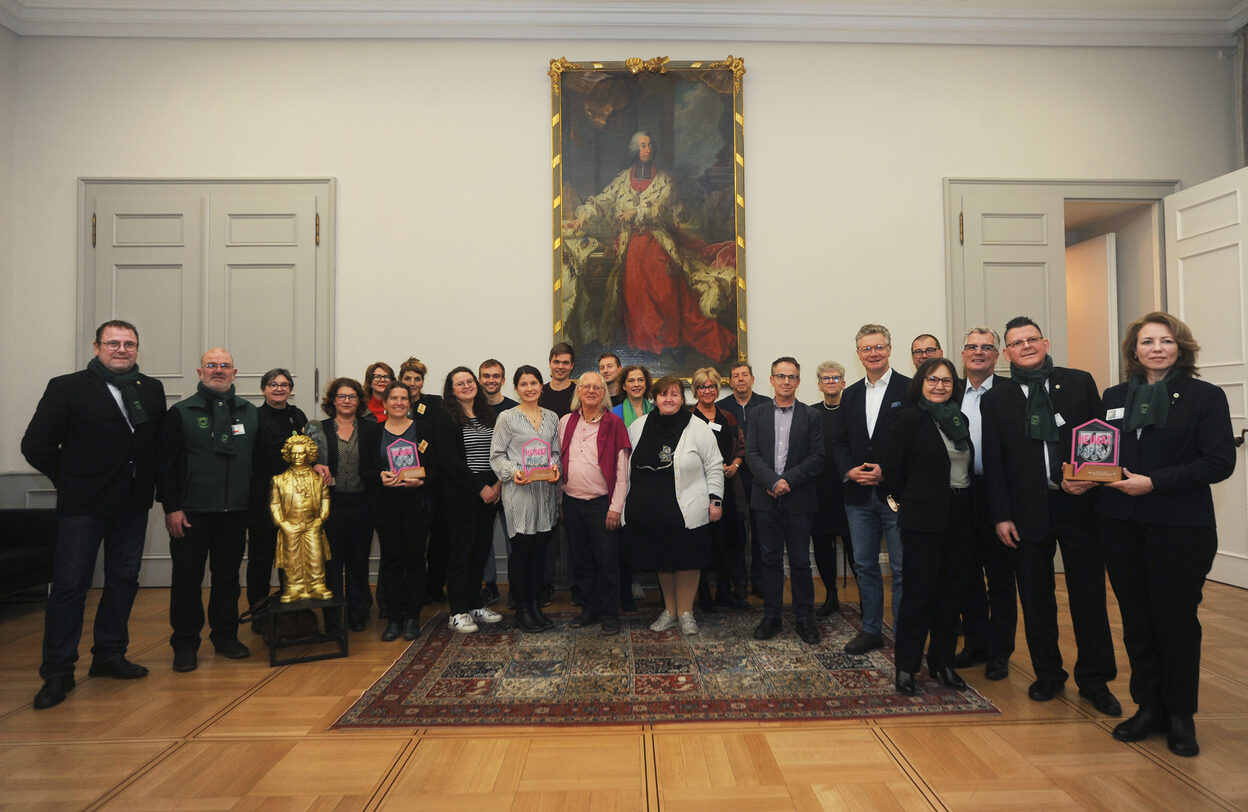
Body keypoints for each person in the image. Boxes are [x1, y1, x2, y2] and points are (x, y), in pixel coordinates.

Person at [1097, 312, 1235, 757]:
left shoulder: (1204, 397)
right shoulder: (1114, 396)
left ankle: (1180, 715)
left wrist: (1154, 481)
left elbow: (1219, 463)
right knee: (1136, 620)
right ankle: (1148, 707)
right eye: (1146, 341)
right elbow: (1102, 451)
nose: (1156, 348)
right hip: (1120, 523)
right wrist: (1086, 473)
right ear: (1133, 350)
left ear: (1181, 346)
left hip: (1180, 526)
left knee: (1174, 621)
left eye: (1165, 340)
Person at [21, 320, 166, 710]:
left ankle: (109, 655)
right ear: (97, 346)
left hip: (132, 505)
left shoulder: (150, 389)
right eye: (113, 343)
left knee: (122, 581)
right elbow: (35, 445)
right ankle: (57, 671)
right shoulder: (66, 387)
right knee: (70, 587)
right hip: (82, 506)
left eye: (129, 344)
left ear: (138, 348)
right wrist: (71, 479)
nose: (122, 349)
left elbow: (153, 446)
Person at [981, 316, 1121, 716]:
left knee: (1089, 596)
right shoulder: (997, 398)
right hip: (1025, 512)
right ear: (1005, 353)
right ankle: (1048, 674)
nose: (1025, 346)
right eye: (1015, 342)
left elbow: (1102, 440)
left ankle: (1095, 680)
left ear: (1045, 342)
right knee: (1036, 597)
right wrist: (1001, 515)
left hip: (1079, 506)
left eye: (1031, 339)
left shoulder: (1078, 382)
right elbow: (995, 462)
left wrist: (1091, 480)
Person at [570, 131, 735, 362]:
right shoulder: (622, 179)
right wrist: (584, 215)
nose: (647, 150)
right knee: (635, 296)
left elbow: (660, 208)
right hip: (631, 247)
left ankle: (672, 343)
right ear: (634, 151)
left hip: (657, 242)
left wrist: (635, 212)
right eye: (643, 146)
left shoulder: (664, 180)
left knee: (665, 291)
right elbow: (603, 200)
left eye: (649, 145)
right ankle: (643, 345)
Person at [157, 348, 257, 672]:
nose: (219, 370)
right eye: (211, 365)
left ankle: (225, 636)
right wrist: (172, 508)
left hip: (235, 512)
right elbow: (165, 465)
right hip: (191, 514)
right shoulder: (181, 412)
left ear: (235, 372)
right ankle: (185, 645)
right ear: (200, 372)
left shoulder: (250, 413)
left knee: (227, 579)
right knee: (187, 580)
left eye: (225, 365)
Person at [884, 357, 974, 696]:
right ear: (921, 383)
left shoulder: (959, 419)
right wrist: (911, 502)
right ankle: (906, 668)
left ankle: (943, 662)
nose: (939, 386)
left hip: (961, 517)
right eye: (933, 380)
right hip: (923, 520)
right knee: (918, 598)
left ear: (954, 386)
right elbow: (893, 470)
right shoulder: (909, 419)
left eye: (947, 381)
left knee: (952, 595)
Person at [832, 324, 911, 655]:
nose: (873, 353)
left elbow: (917, 442)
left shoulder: (910, 390)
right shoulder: (849, 395)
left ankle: (907, 632)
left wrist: (888, 471)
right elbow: (837, 442)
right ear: (858, 354)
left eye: (879, 347)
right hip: (858, 497)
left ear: (890, 349)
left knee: (902, 567)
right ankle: (871, 630)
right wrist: (849, 471)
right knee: (864, 564)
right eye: (866, 349)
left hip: (897, 496)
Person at [626, 377, 725, 634]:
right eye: (663, 395)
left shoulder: (698, 427)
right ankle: (670, 611)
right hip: (651, 508)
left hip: (687, 506)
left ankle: (686, 613)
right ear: (654, 399)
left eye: (674, 394)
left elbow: (714, 465)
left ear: (682, 398)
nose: (668, 399)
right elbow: (625, 465)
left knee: (688, 560)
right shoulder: (638, 426)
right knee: (663, 560)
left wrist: (716, 500)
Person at [745, 357, 825, 645]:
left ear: (799, 382)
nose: (786, 381)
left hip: (799, 499)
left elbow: (817, 458)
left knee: (801, 561)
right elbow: (751, 454)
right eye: (781, 376)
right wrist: (771, 481)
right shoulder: (756, 414)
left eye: (792, 377)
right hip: (765, 500)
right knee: (769, 560)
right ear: (772, 379)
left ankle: (805, 618)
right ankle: (772, 616)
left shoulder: (811, 416)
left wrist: (786, 481)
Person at [953, 327, 1017, 682]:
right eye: (972, 347)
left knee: (1001, 578)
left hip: (999, 497)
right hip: (962, 495)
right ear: (962, 354)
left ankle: (999, 652)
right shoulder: (949, 392)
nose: (978, 352)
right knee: (967, 577)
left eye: (986, 347)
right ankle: (974, 644)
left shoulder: (1010, 393)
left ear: (997, 355)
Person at [490, 365, 562, 632]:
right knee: (522, 553)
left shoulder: (552, 417)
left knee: (540, 554)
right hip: (519, 494)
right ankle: (522, 610)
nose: (530, 388)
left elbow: (555, 452)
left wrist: (556, 469)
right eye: (524, 384)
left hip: (544, 494)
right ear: (516, 388)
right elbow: (496, 456)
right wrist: (513, 472)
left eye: (534, 383)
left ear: (541, 386)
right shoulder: (507, 418)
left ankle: (534, 607)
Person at [559, 371, 632, 634]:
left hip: (602, 505)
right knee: (580, 561)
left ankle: (610, 615)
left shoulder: (614, 423)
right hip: (572, 503)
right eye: (585, 386)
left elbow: (622, 472)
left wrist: (615, 508)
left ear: (604, 393)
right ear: (578, 391)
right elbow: (559, 461)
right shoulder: (565, 421)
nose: (591, 390)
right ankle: (589, 610)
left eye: (596, 387)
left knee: (607, 562)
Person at [436, 367, 504, 633]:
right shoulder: (446, 418)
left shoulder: (488, 414)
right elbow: (451, 463)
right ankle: (458, 611)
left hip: (490, 493)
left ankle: (476, 605)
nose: (466, 386)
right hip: (462, 495)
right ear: (451, 390)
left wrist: (497, 484)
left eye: (469, 381)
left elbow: (500, 452)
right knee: (461, 554)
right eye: (459, 383)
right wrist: (480, 488)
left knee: (480, 551)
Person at [309, 377, 379, 632]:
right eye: (342, 396)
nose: (347, 401)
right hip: (330, 505)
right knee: (332, 563)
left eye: (352, 396)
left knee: (358, 562)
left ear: (359, 401)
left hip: (362, 504)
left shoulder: (370, 429)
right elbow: (303, 464)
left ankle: (357, 613)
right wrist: (314, 465)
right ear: (332, 401)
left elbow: (375, 465)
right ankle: (332, 616)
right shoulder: (318, 429)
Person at [367, 381, 434, 641]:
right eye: (393, 398)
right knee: (392, 561)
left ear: (410, 402)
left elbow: (436, 467)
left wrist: (422, 480)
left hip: (417, 505)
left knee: (416, 560)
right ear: (385, 403)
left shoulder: (424, 429)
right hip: (386, 506)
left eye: (403, 398)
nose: (398, 403)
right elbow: (365, 469)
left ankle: (412, 617)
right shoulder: (374, 433)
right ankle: (394, 617)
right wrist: (379, 476)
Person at [245, 368, 309, 622]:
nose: (279, 388)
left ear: (290, 389)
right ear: (263, 389)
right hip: (263, 498)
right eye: (273, 384)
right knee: (261, 557)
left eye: (284, 384)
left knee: (292, 557)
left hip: (294, 499)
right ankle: (258, 613)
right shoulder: (253, 416)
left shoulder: (297, 415)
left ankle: (290, 611)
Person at [689, 367, 747, 611]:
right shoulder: (688, 417)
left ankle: (724, 590)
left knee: (728, 541)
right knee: (702, 541)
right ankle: (703, 595)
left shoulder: (727, 417)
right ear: (695, 391)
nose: (707, 391)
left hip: (728, 487)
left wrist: (734, 465)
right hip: (697, 489)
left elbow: (741, 446)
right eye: (702, 387)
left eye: (712, 386)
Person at [716, 361, 772, 599]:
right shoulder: (721, 408)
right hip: (732, 477)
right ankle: (738, 579)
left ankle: (759, 579)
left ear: (752, 379)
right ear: (730, 382)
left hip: (761, 476)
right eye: (735, 376)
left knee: (762, 529)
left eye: (744, 375)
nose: (740, 379)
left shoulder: (767, 404)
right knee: (737, 531)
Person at [398, 357, 447, 606]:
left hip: (432, 480)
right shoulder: (395, 405)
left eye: (417, 379)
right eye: (408, 379)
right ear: (400, 380)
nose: (413, 383)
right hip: (402, 484)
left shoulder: (435, 404)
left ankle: (434, 588)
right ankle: (411, 589)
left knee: (437, 539)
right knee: (412, 542)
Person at [811, 360, 852, 618]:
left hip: (849, 491)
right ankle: (831, 596)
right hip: (819, 491)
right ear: (819, 385)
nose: (831, 382)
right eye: (826, 379)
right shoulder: (811, 414)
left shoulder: (853, 411)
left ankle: (868, 601)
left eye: (835, 378)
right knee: (823, 546)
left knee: (855, 547)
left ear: (843, 383)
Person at [269, 434, 332, 602]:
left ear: (309, 454)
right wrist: (282, 523)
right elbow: (274, 504)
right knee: (291, 557)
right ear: (288, 454)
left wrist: (321, 519)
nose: (297, 457)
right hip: (290, 525)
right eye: (294, 454)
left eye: (301, 453)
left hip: (313, 523)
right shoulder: (279, 480)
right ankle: (292, 587)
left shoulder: (318, 478)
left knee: (315, 555)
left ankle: (317, 585)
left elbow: (325, 499)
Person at [611, 363, 653, 609]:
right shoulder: (614, 412)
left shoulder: (657, 409)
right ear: (624, 385)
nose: (636, 384)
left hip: (652, 480)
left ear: (646, 384)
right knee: (626, 533)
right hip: (624, 479)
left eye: (640, 380)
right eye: (631, 380)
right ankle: (630, 582)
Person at [478, 358, 516, 607]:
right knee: (483, 540)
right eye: (486, 376)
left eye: (496, 376)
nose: (491, 380)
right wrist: (486, 487)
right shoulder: (472, 408)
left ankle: (516, 587)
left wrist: (500, 484)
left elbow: (516, 451)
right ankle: (489, 585)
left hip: (509, 484)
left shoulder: (514, 409)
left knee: (514, 539)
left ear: (503, 380)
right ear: (480, 379)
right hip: (481, 487)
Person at [539, 342, 577, 418]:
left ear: (572, 365)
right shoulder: (539, 393)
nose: (560, 366)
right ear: (550, 363)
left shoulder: (579, 393)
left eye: (565, 363)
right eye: (556, 362)